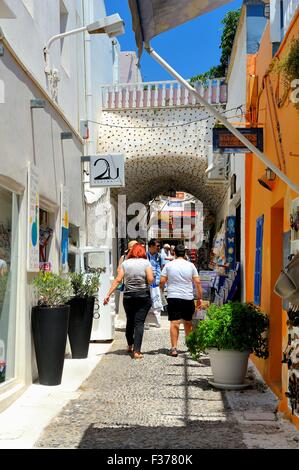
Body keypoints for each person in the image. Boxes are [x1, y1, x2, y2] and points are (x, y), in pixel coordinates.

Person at [104, 243, 154, 360]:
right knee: (139, 323)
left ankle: (129, 345)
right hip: (143, 296)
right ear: (142, 252)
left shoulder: (125, 263)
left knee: (130, 321)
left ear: (131, 252)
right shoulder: (146, 263)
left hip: (128, 297)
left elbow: (118, 280)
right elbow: (151, 280)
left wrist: (108, 294)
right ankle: (137, 352)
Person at [160, 244, 203, 357]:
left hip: (173, 297)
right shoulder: (191, 265)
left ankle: (174, 348)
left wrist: (161, 291)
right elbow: (197, 282)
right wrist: (199, 297)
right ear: (184, 253)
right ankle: (190, 347)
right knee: (188, 323)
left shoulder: (168, 266)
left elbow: (162, 281)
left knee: (174, 323)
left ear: (173, 253)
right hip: (188, 297)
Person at [146, 239, 163, 328]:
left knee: (157, 301)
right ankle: (147, 322)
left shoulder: (159, 256)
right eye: (157, 246)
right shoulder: (145, 256)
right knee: (147, 302)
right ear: (151, 246)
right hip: (147, 282)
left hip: (156, 282)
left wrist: (160, 282)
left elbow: (161, 268)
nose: (159, 247)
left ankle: (157, 321)